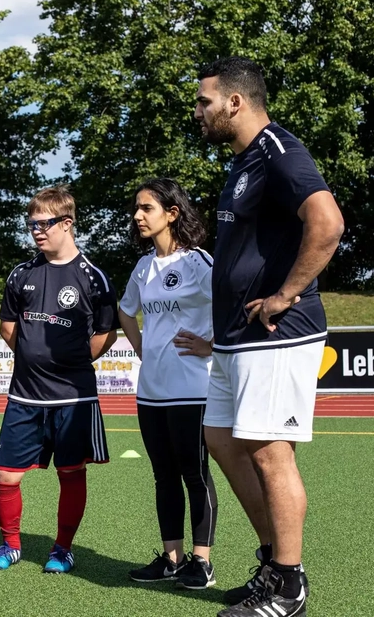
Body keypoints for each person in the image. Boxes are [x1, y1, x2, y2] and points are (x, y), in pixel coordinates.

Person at [192, 57, 344, 617]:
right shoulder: (242, 161)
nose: (198, 110)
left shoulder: (280, 150)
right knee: (222, 440)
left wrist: (284, 294)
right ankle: (272, 560)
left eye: (205, 100)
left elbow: (327, 223)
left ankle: (288, 584)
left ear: (235, 102)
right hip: (235, 338)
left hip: (276, 333)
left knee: (269, 454)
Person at [0, 185, 119, 574]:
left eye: (43, 223)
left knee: (71, 472)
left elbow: (106, 333)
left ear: (67, 223)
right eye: (31, 224)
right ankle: (11, 544)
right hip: (25, 395)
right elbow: (7, 327)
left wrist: (71, 362)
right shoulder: (22, 273)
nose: (36, 231)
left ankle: (62, 549)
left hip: (73, 397)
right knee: (5, 475)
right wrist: (34, 358)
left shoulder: (93, 278)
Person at [118, 178, 218, 590]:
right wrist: (143, 347)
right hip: (151, 390)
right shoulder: (143, 267)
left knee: (195, 473)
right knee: (163, 475)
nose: (138, 216)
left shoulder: (198, 262)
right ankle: (172, 558)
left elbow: (231, 306)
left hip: (193, 388)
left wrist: (209, 344)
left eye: (147, 208)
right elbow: (126, 312)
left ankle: (202, 562)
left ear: (171, 213)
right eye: (137, 209)